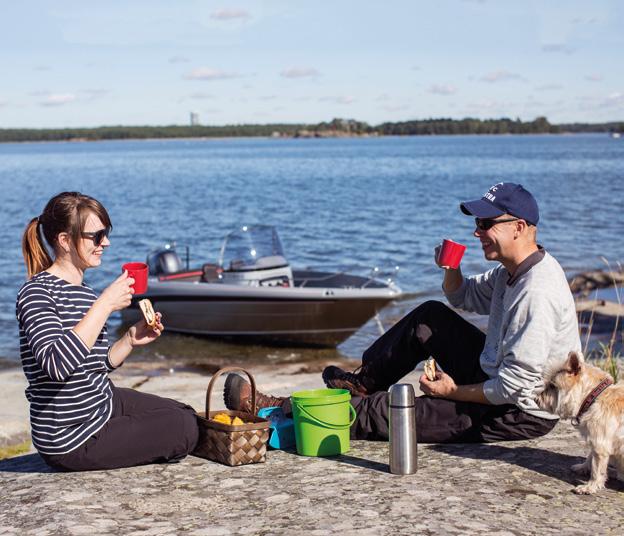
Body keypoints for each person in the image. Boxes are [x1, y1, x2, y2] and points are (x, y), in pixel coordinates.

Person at [224, 182, 582, 443]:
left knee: (387, 413)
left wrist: (452, 391)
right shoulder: (511, 272)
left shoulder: (537, 291)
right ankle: (361, 384)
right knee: (429, 317)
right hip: (498, 376)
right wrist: (450, 267)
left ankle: (275, 412)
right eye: (477, 224)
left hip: (516, 412)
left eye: (486, 225)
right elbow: (463, 298)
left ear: (519, 228)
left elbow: (513, 388)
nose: (477, 232)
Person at [17, 192, 199, 471]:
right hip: (72, 437)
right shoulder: (36, 293)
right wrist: (104, 304)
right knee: (184, 427)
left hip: (101, 403)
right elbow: (56, 365)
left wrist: (129, 340)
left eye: (106, 233)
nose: (106, 243)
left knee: (184, 412)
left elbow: (94, 365)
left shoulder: (85, 293)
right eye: (97, 236)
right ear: (64, 240)